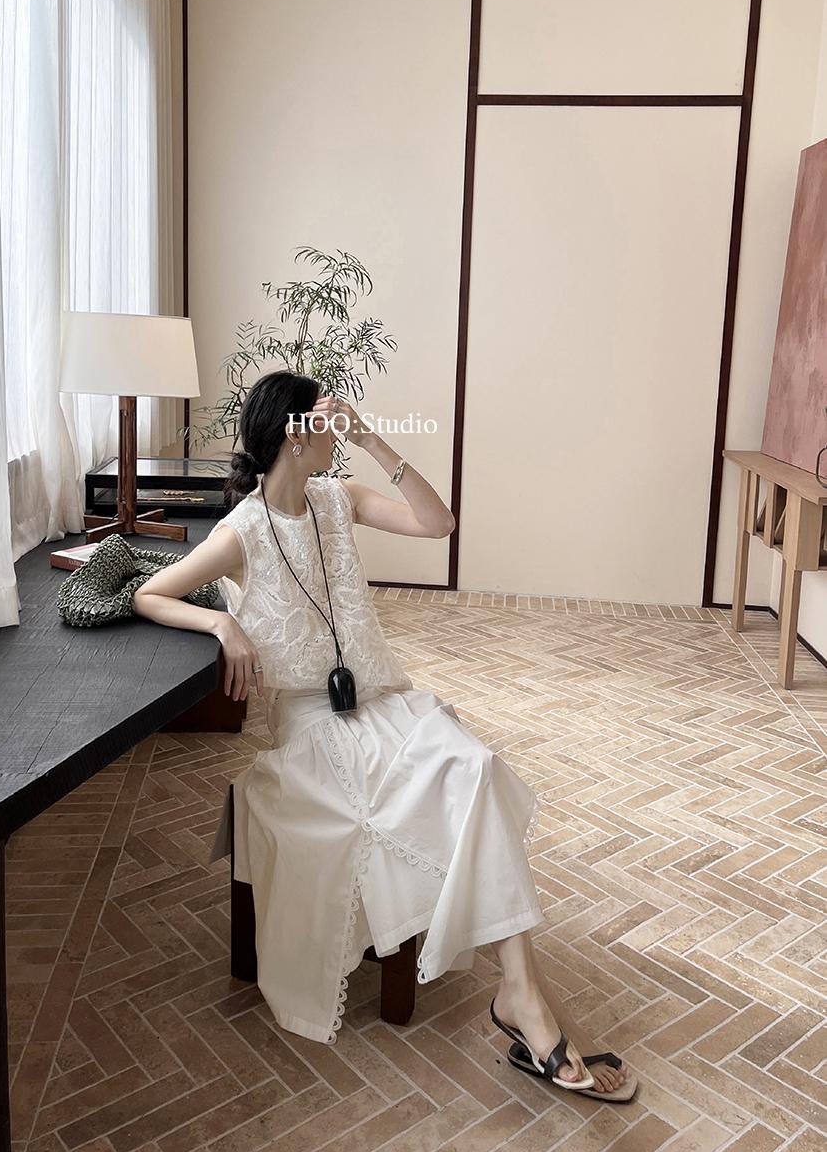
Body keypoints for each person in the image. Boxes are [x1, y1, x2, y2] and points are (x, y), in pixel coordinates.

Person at [133, 370, 636, 1101]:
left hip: (386, 704)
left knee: (475, 766)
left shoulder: (340, 500)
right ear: (295, 434)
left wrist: (373, 441)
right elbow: (151, 592)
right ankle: (524, 1001)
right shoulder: (242, 531)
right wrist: (221, 621)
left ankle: (519, 993)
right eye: (326, 417)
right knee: (432, 790)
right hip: (312, 726)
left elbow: (439, 524)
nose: (337, 426)